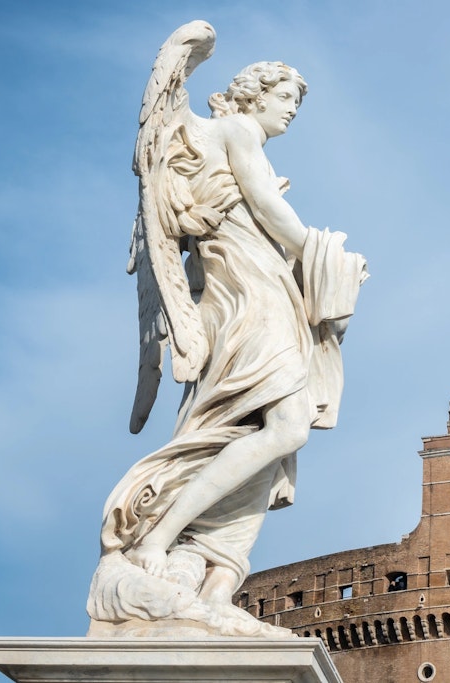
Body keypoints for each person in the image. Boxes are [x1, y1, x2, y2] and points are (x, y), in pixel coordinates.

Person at [87, 22, 367, 637]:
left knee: (255, 436)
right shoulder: (236, 132)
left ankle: (215, 580)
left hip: (259, 291)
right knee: (286, 425)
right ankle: (157, 538)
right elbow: (267, 207)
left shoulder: (226, 140)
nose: (291, 112)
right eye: (286, 98)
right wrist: (329, 255)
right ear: (254, 95)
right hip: (248, 297)